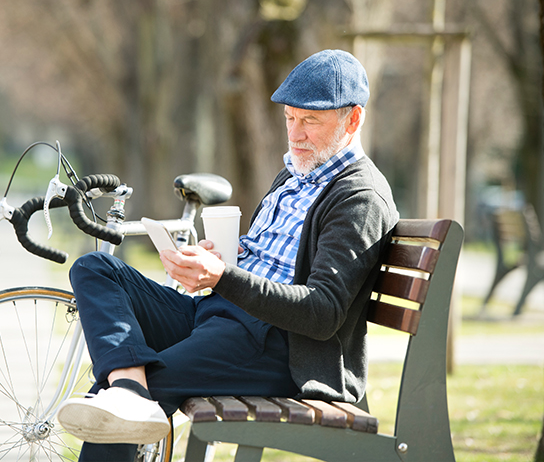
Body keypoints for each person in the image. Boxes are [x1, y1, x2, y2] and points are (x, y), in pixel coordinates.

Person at [57, 49, 399, 461]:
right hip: (217, 317)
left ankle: (129, 389)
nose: (295, 134)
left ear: (353, 120)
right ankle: (129, 386)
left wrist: (222, 276)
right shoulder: (294, 175)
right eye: (290, 118)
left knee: (116, 404)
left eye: (311, 120)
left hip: (281, 350)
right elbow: (270, 261)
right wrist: (224, 256)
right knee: (97, 268)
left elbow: (322, 313)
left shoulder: (359, 198)